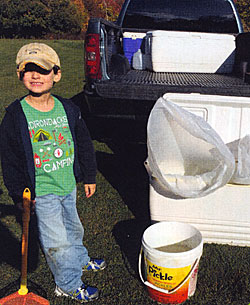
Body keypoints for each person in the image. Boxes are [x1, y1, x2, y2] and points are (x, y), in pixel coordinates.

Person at [0, 42, 106, 303]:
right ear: (19, 75)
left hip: (67, 185)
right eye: (28, 70)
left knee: (73, 228)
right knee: (56, 240)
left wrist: (89, 176)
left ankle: (80, 259)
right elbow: (9, 160)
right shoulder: (15, 116)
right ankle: (68, 284)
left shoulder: (68, 109)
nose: (35, 76)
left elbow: (83, 143)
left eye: (43, 70)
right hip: (42, 192)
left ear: (56, 74)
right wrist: (18, 195)